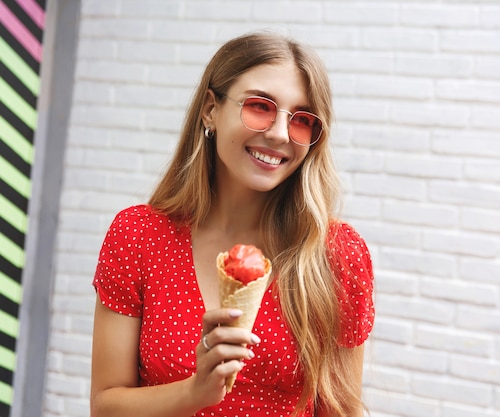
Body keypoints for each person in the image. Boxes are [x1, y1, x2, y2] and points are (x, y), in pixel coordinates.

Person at [90, 32, 375, 417]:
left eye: (302, 119)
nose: (278, 133)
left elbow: (341, 410)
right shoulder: (139, 235)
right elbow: (105, 406)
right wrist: (195, 391)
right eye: (260, 106)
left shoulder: (335, 253)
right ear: (211, 109)